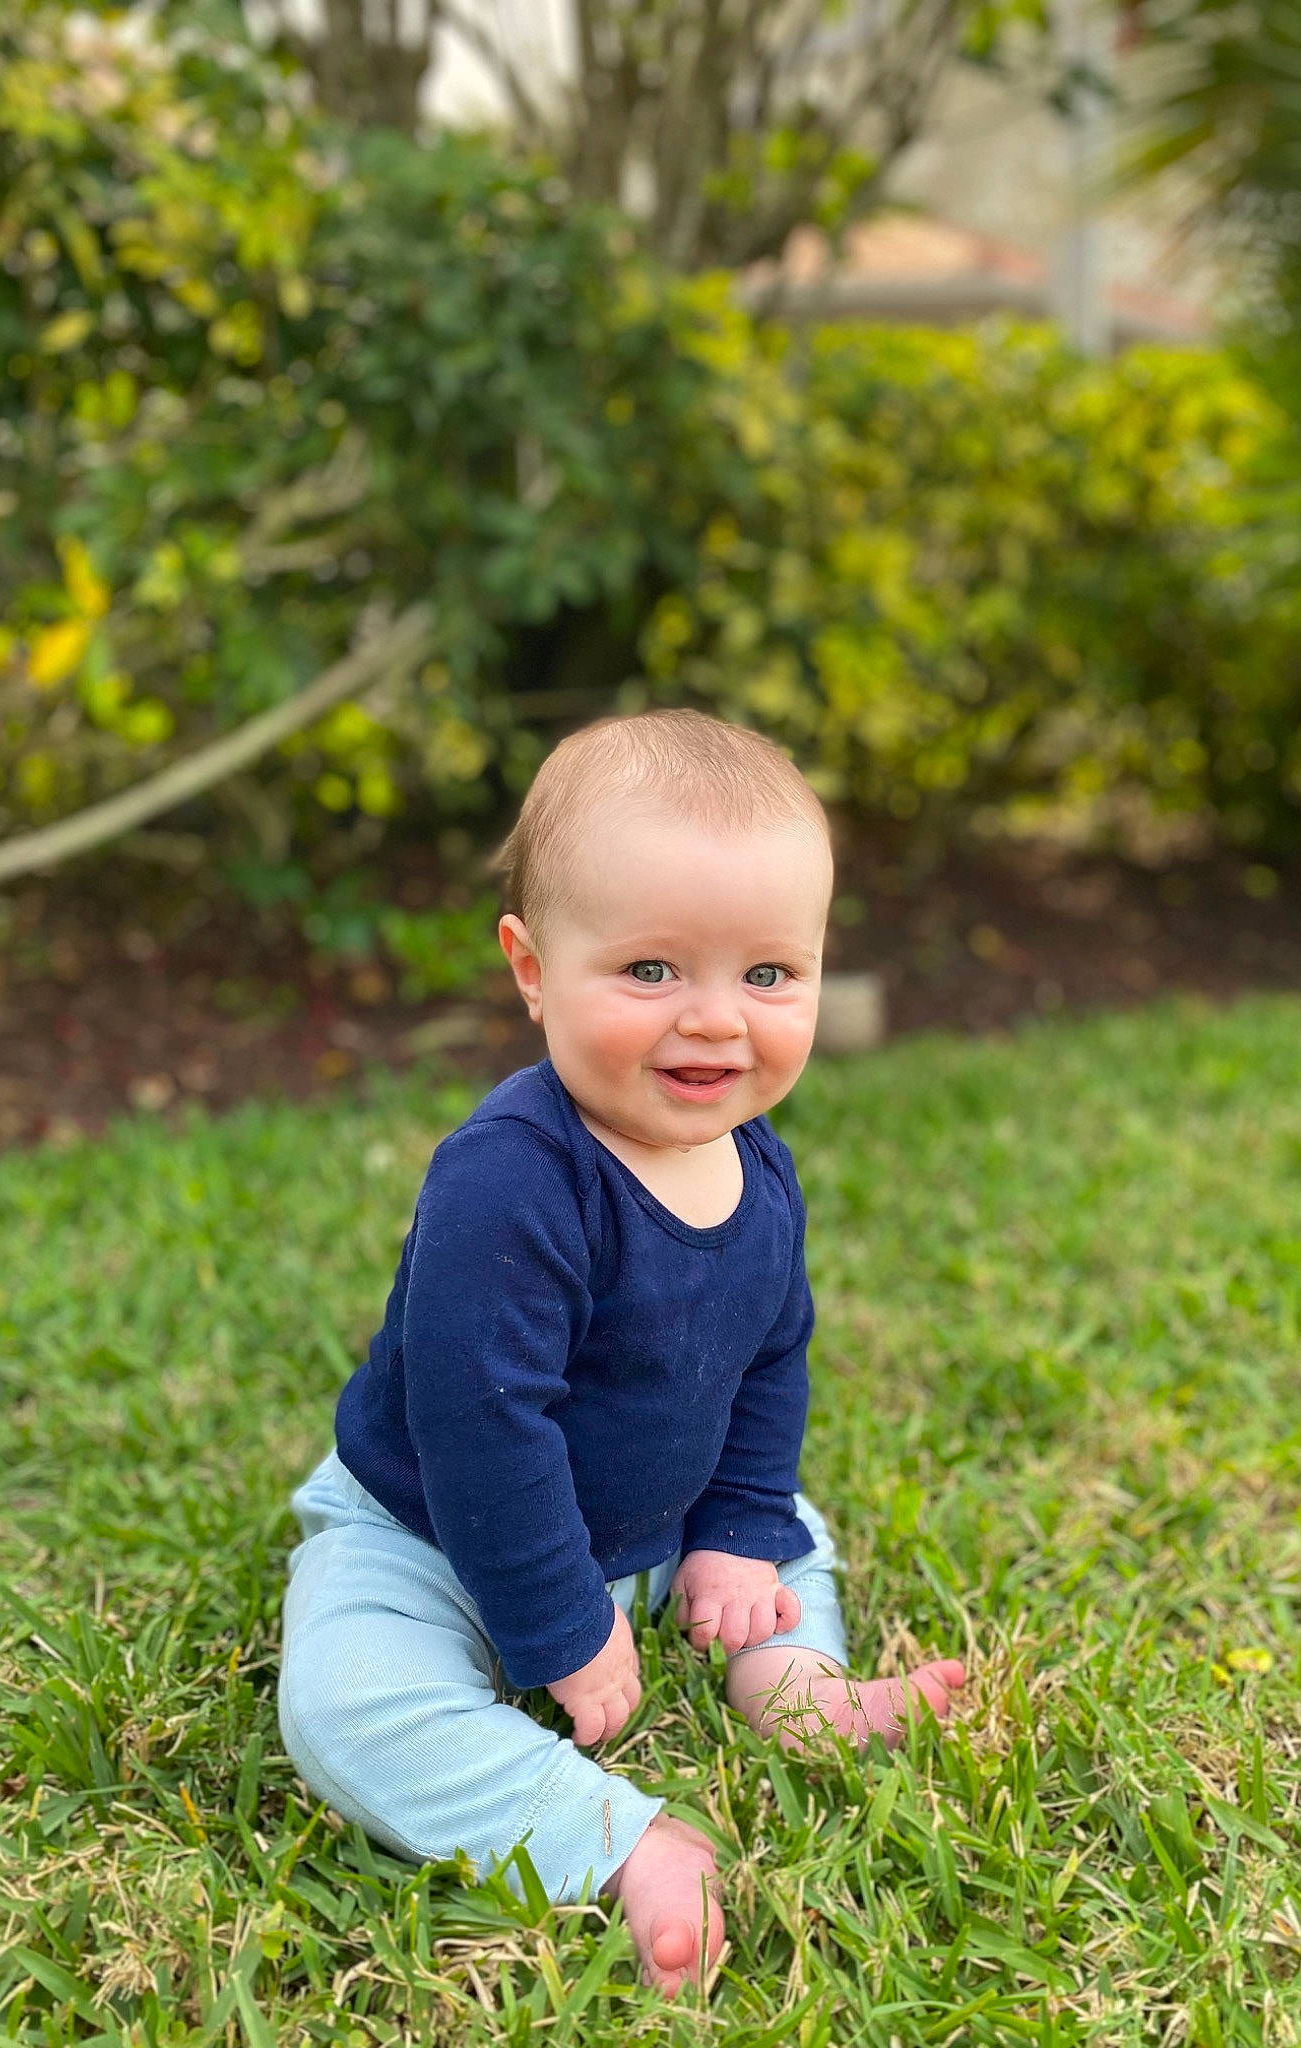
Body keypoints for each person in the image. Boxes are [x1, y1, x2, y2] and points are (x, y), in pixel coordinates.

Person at [277, 709, 966, 1997]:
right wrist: (559, 1625)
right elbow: (479, 1421)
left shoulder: (758, 1166)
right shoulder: (510, 1182)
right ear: (532, 969)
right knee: (343, 1699)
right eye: (650, 971)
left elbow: (770, 1360)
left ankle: (797, 1686)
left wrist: (735, 1528)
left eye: (768, 975)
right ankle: (615, 1839)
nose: (715, 1022)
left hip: (648, 1524)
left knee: (787, 1529)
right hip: (428, 1527)